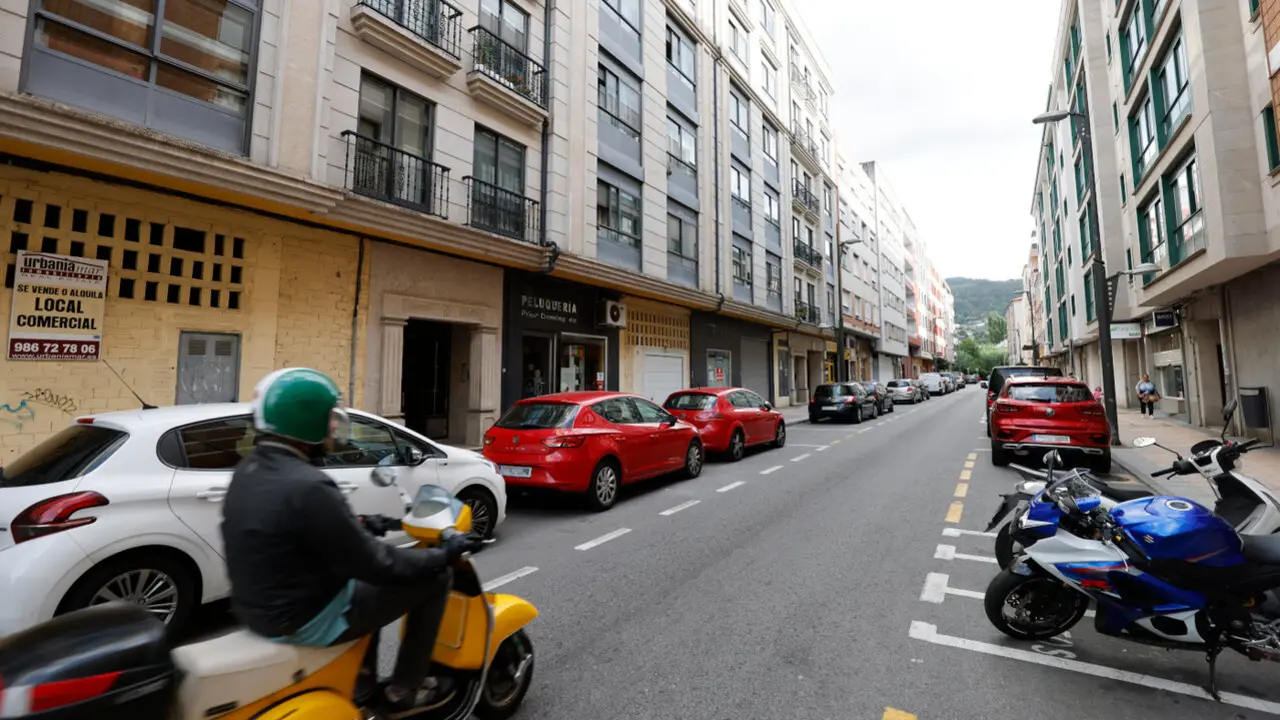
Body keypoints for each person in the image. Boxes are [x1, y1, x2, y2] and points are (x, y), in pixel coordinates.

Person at [221, 367, 481, 717]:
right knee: (434, 578)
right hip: (302, 619)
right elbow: (379, 565)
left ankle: (361, 682)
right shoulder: (309, 485)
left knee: (361, 586)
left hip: (260, 609)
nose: (334, 426)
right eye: (330, 417)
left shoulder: (250, 470)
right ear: (307, 419)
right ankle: (406, 688)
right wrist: (441, 555)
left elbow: (286, 531)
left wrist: (357, 524)